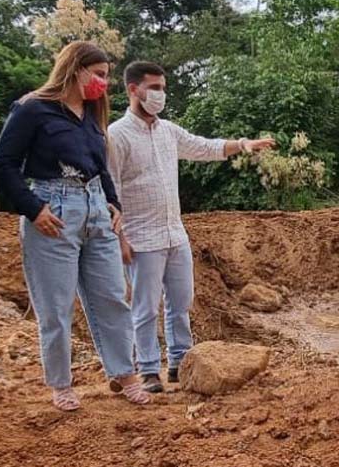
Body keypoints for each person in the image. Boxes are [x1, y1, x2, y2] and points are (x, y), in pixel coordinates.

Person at [0, 41, 150, 412]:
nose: (103, 84)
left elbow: (101, 167)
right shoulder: (33, 109)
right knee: (56, 305)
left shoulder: (93, 116)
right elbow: (5, 164)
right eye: (97, 75)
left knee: (112, 295)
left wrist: (114, 206)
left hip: (96, 208)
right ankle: (61, 384)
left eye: (107, 77)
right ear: (74, 69)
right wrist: (33, 209)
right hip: (54, 208)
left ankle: (124, 372)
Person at [108, 61, 275, 393]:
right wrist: (120, 238)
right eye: (154, 88)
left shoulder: (169, 131)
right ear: (133, 90)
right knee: (144, 307)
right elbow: (109, 189)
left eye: (163, 88)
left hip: (175, 233)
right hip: (142, 237)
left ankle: (181, 362)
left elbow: (204, 147)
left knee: (181, 302)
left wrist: (243, 145)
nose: (160, 94)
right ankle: (149, 369)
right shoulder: (117, 135)